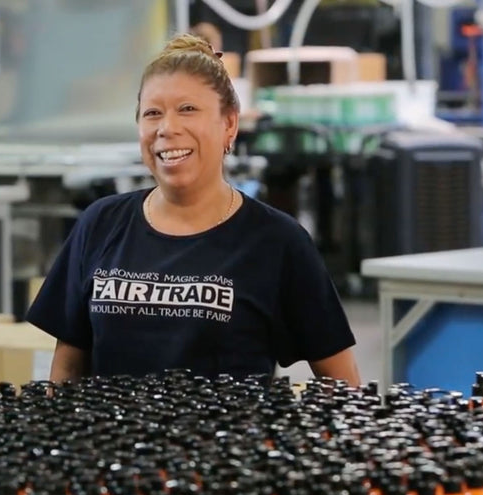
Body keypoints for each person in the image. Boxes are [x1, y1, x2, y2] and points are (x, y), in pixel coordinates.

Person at [27, 34, 361, 386]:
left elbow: (344, 384)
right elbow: (66, 371)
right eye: (153, 113)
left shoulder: (276, 241)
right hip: (110, 441)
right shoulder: (100, 224)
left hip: (225, 440)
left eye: (188, 109)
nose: (167, 129)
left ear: (229, 124)